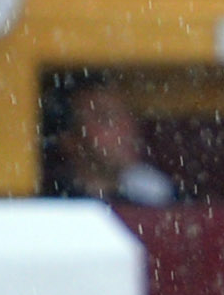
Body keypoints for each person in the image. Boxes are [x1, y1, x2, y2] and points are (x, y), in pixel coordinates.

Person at [46, 78, 175, 206]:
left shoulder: (153, 197)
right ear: (69, 139)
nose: (126, 129)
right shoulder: (50, 206)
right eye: (106, 119)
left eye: (128, 116)